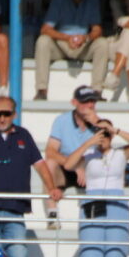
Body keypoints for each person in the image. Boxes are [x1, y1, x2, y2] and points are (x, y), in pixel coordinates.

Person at [0, 96, 63, 257]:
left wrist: (51, 188)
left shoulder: (24, 135)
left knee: (19, 255)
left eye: (6, 113)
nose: (2, 118)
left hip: (15, 210)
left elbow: (40, 165)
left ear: (14, 114)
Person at [63, 118, 129, 257]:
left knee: (116, 250)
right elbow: (68, 165)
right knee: (91, 250)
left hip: (117, 203)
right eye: (98, 132)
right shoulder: (88, 154)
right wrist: (89, 142)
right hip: (93, 202)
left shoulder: (120, 153)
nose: (102, 136)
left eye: (105, 133)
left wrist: (115, 130)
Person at [33, 0, 107, 100]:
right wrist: (67, 38)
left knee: (102, 43)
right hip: (62, 44)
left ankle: (97, 91)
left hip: (83, 44)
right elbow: (45, 29)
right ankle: (42, 90)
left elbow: (97, 29)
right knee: (43, 41)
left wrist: (86, 38)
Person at [44, 86, 103, 229]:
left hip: (90, 168)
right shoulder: (62, 120)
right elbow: (50, 151)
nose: (90, 105)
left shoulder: (100, 123)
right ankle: (52, 215)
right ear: (74, 102)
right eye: (85, 101)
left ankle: (95, 217)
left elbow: (106, 151)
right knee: (49, 164)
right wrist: (74, 165)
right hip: (67, 168)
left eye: (92, 101)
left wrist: (99, 125)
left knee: (99, 166)